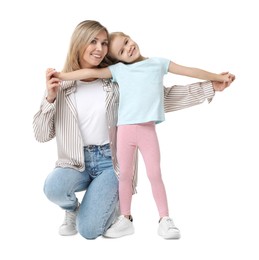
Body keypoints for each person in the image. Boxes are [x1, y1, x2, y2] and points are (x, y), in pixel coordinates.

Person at [53, 30, 235, 239]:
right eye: (122, 50)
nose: (128, 48)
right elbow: (87, 73)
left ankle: (165, 219)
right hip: (125, 132)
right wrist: (60, 76)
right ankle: (125, 219)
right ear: (117, 59)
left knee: (155, 174)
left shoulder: (158, 63)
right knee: (125, 176)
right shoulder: (119, 71)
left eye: (127, 41)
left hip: (147, 130)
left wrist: (216, 79)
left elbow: (188, 71)